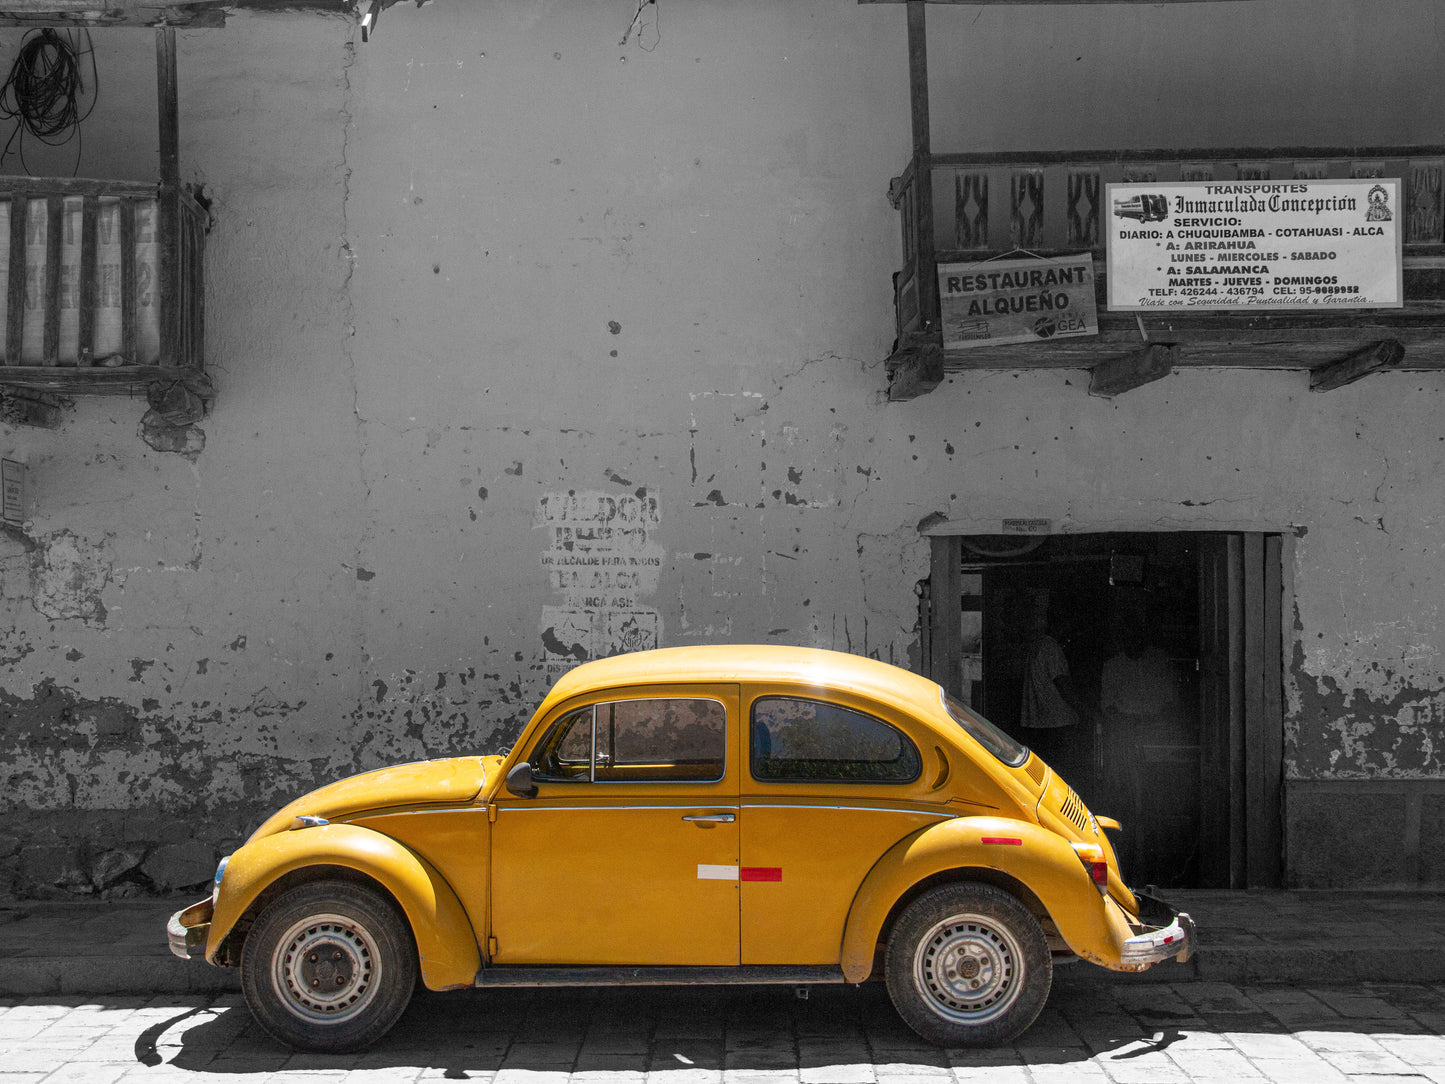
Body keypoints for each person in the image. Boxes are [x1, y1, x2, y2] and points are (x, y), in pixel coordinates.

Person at [1019, 597, 1096, 787]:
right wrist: (1082, 709)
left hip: (1039, 722)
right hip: (1057, 721)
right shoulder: (1052, 648)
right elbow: (1062, 684)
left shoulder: (1036, 646)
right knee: (1063, 773)